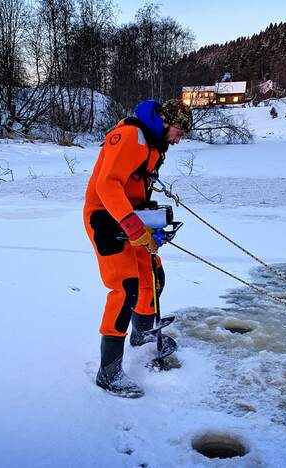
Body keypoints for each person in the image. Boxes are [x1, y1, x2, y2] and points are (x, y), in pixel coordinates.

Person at [83, 99, 193, 398]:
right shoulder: (131, 135)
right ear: (164, 120)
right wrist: (132, 224)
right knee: (126, 287)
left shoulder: (154, 143)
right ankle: (109, 373)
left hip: (131, 216)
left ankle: (143, 333)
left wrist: (147, 213)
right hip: (105, 218)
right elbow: (107, 185)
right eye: (179, 130)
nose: (180, 138)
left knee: (152, 274)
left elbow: (134, 183)